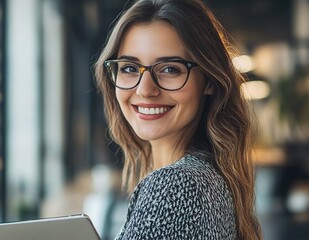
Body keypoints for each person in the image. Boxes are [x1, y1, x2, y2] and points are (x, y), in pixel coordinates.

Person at [94, 0, 262, 239]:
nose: (145, 90)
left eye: (170, 69)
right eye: (130, 68)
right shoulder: (207, 179)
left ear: (210, 81)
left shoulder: (176, 185)